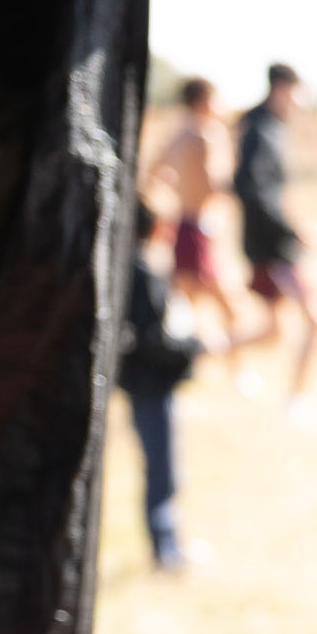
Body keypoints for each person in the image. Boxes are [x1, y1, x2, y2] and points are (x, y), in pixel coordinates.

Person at [141, 76, 260, 371]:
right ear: (205, 100)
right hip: (200, 229)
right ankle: (235, 367)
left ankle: (198, 364)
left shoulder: (178, 134)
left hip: (183, 225)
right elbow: (211, 184)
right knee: (227, 306)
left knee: (185, 304)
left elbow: (153, 174)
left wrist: (176, 189)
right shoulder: (208, 135)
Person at [115, 204, 201, 573]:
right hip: (149, 384)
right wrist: (190, 348)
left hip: (141, 382)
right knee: (161, 469)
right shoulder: (139, 274)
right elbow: (153, 339)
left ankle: (168, 547)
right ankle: (166, 552)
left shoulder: (125, 270)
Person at [234, 64, 317, 405]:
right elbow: (251, 189)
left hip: (272, 244)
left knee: (273, 331)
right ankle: (297, 400)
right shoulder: (258, 129)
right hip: (273, 248)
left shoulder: (271, 127)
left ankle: (200, 350)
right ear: (284, 88)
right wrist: (290, 230)